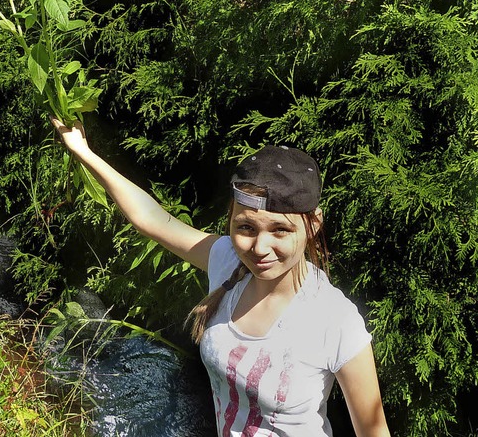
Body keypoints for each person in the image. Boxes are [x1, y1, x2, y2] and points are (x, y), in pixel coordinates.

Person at [51, 117, 391, 437]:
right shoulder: (229, 262)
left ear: (313, 225)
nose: (260, 247)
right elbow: (152, 219)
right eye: (245, 227)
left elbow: (374, 431)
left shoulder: (335, 321)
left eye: (280, 230)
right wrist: (85, 152)